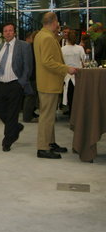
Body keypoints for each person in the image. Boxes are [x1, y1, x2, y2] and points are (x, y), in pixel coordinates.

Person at [34, 12, 78, 159]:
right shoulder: (46, 37)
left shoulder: (42, 35)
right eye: (57, 22)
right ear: (53, 22)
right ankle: (42, 148)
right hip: (49, 83)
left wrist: (59, 36)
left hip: (46, 82)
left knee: (49, 115)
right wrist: (66, 69)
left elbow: (51, 48)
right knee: (46, 116)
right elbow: (47, 61)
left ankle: (50, 142)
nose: (58, 24)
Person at [0, 23, 33, 151]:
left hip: (15, 83)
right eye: (5, 31)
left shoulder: (23, 46)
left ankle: (7, 141)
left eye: (10, 30)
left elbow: (28, 66)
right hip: (0, 83)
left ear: (14, 32)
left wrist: (22, 83)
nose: (8, 33)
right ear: (3, 33)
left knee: (12, 113)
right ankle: (16, 127)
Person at [61, 30, 85, 115]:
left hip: (67, 75)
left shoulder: (62, 49)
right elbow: (84, 61)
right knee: (78, 96)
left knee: (70, 96)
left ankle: (71, 114)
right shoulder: (80, 48)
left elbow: (61, 63)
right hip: (78, 75)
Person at [22, 30, 39, 123]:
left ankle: (30, 114)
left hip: (31, 75)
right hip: (31, 76)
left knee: (32, 96)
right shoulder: (31, 47)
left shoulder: (31, 47)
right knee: (30, 96)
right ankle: (27, 117)